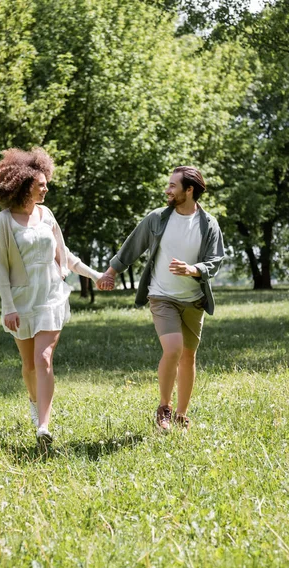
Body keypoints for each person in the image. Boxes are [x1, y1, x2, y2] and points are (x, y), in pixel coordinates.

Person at [0, 147, 104, 445]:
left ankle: (43, 426)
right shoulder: (3, 222)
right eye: (41, 184)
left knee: (44, 359)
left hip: (51, 295)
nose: (46, 187)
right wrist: (8, 307)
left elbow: (63, 255)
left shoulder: (47, 215)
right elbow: (0, 269)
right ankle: (34, 400)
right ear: (24, 185)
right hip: (20, 300)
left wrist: (96, 275)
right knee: (28, 366)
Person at [97, 166, 225, 431]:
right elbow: (132, 246)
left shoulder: (208, 224)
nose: (167, 190)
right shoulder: (157, 218)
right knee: (174, 349)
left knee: (188, 357)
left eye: (172, 186)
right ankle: (164, 408)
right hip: (161, 296)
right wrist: (111, 272)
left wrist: (193, 270)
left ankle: (181, 414)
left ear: (189, 191)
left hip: (193, 299)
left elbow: (215, 260)